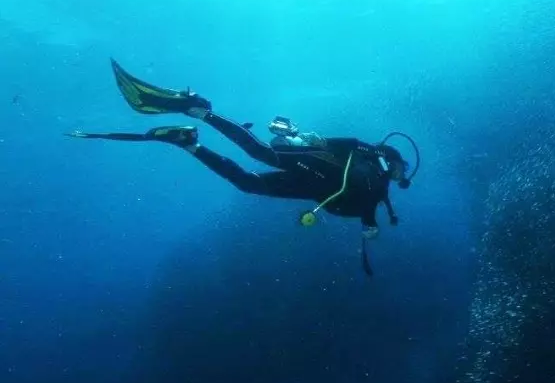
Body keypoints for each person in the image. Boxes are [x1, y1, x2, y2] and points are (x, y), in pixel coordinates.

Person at [68, 59, 421, 251]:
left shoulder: (377, 186)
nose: (401, 175)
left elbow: (367, 210)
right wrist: (306, 142)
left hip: (310, 186)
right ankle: (199, 112)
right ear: (395, 161)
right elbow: (348, 150)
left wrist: (370, 229)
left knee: (247, 182)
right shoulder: (374, 162)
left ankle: (189, 142)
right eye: (402, 168)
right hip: (316, 170)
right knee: (259, 154)